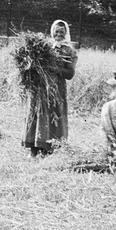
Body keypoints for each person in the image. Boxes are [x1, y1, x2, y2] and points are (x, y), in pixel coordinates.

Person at [22, 20, 77, 157]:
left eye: (61, 32)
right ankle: (34, 147)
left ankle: (50, 148)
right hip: (40, 88)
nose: (58, 35)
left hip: (56, 90)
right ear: (52, 32)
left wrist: (55, 69)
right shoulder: (44, 47)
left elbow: (70, 74)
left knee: (53, 115)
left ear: (66, 34)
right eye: (56, 32)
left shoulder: (69, 51)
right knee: (37, 114)